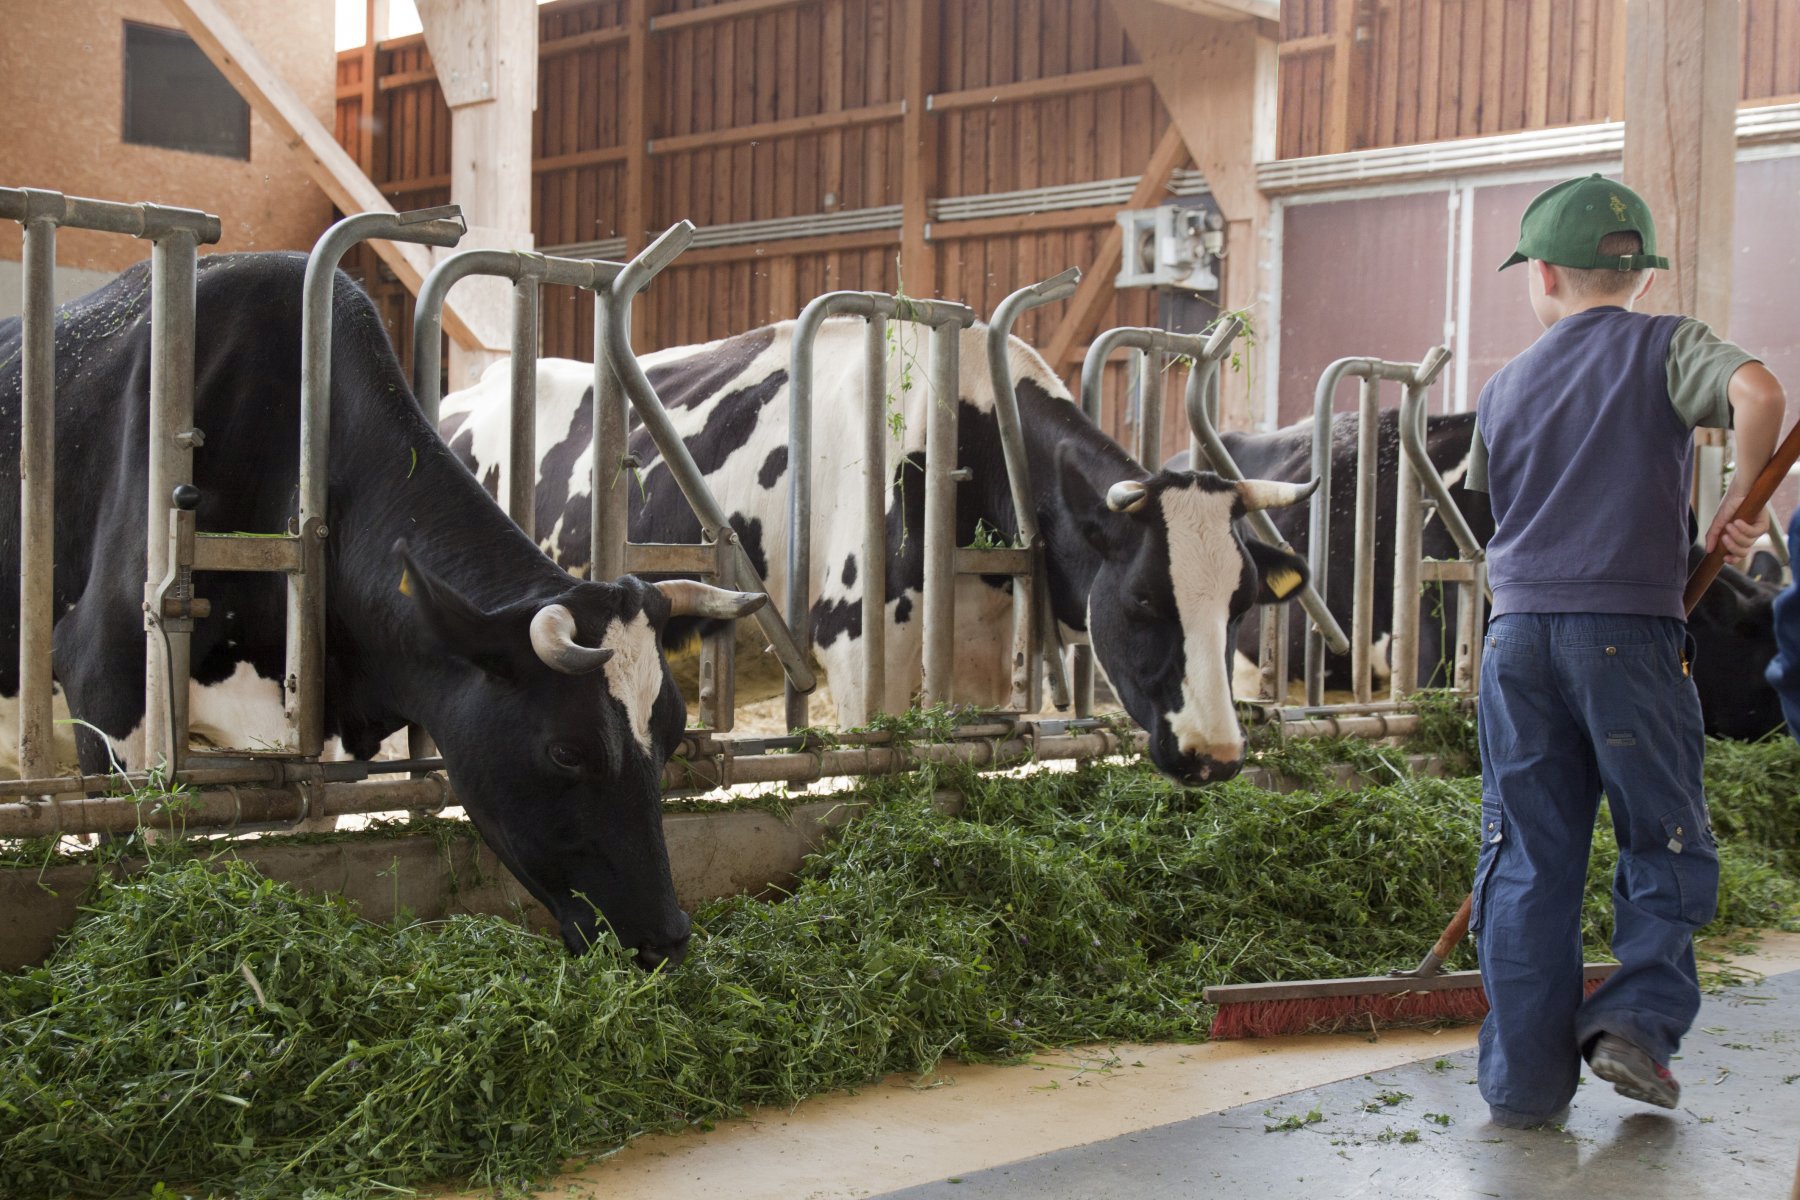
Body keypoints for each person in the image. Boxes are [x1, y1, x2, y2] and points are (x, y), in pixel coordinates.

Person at [1462, 173, 1786, 1129]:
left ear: (1542, 275)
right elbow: (1760, 392)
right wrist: (1742, 501)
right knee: (1661, 832)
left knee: (1526, 856)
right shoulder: (1665, 344)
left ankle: (1524, 1086)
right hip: (1628, 638)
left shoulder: (1503, 386)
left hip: (1516, 642)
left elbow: (1494, 505)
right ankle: (1634, 1026)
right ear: (1644, 276)